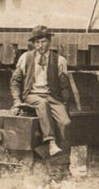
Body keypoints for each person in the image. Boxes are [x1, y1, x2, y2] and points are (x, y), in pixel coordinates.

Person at [9, 25, 73, 158]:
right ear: (33, 44)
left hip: (52, 96)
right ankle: (50, 142)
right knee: (42, 103)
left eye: (43, 41)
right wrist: (17, 101)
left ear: (49, 42)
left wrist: (65, 105)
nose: (40, 45)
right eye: (37, 42)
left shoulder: (59, 61)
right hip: (32, 95)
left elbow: (64, 86)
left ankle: (54, 156)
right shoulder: (26, 58)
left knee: (66, 123)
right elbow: (15, 81)